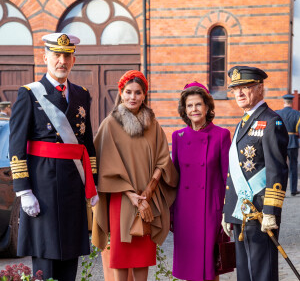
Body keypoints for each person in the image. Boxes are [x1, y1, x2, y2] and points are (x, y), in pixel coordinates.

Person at [9, 33, 99, 281]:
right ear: (45, 57)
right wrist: (23, 190)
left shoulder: (81, 94)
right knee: (45, 257)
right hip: (42, 186)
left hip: (72, 184)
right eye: (57, 55)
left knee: (71, 254)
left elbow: (86, 143)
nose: (62, 61)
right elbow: (15, 146)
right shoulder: (29, 93)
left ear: (74, 60)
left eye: (67, 56)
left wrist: (93, 181)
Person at [91, 70, 178, 281]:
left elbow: (163, 159)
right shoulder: (110, 124)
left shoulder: (154, 125)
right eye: (128, 92)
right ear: (121, 93)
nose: (133, 97)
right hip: (121, 199)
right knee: (120, 255)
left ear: (144, 95)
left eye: (138, 92)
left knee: (142, 255)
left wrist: (149, 191)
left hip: (148, 198)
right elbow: (104, 165)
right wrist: (132, 196)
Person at [222, 66, 289, 281]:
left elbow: (276, 170)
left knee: (262, 272)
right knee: (245, 272)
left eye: (246, 87)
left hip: (260, 212)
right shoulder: (242, 123)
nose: (239, 93)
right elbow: (235, 171)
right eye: (235, 89)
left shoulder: (272, 121)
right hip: (241, 211)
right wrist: (227, 210)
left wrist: (271, 211)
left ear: (260, 88)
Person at [171, 82, 231, 281]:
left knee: (211, 267)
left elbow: (227, 176)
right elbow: (175, 177)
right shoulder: (178, 137)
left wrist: (227, 211)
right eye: (189, 105)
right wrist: (171, 212)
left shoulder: (221, 135)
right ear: (184, 110)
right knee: (190, 268)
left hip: (210, 210)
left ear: (207, 107)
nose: (194, 109)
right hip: (185, 211)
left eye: (198, 104)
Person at [276, 94, 300, 196]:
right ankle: (293, 190)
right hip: (293, 142)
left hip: (280, 143)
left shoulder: (277, 113)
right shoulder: (297, 114)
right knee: (293, 167)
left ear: (284, 102)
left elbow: (275, 130)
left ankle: (280, 191)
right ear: (292, 102)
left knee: (280, 167)